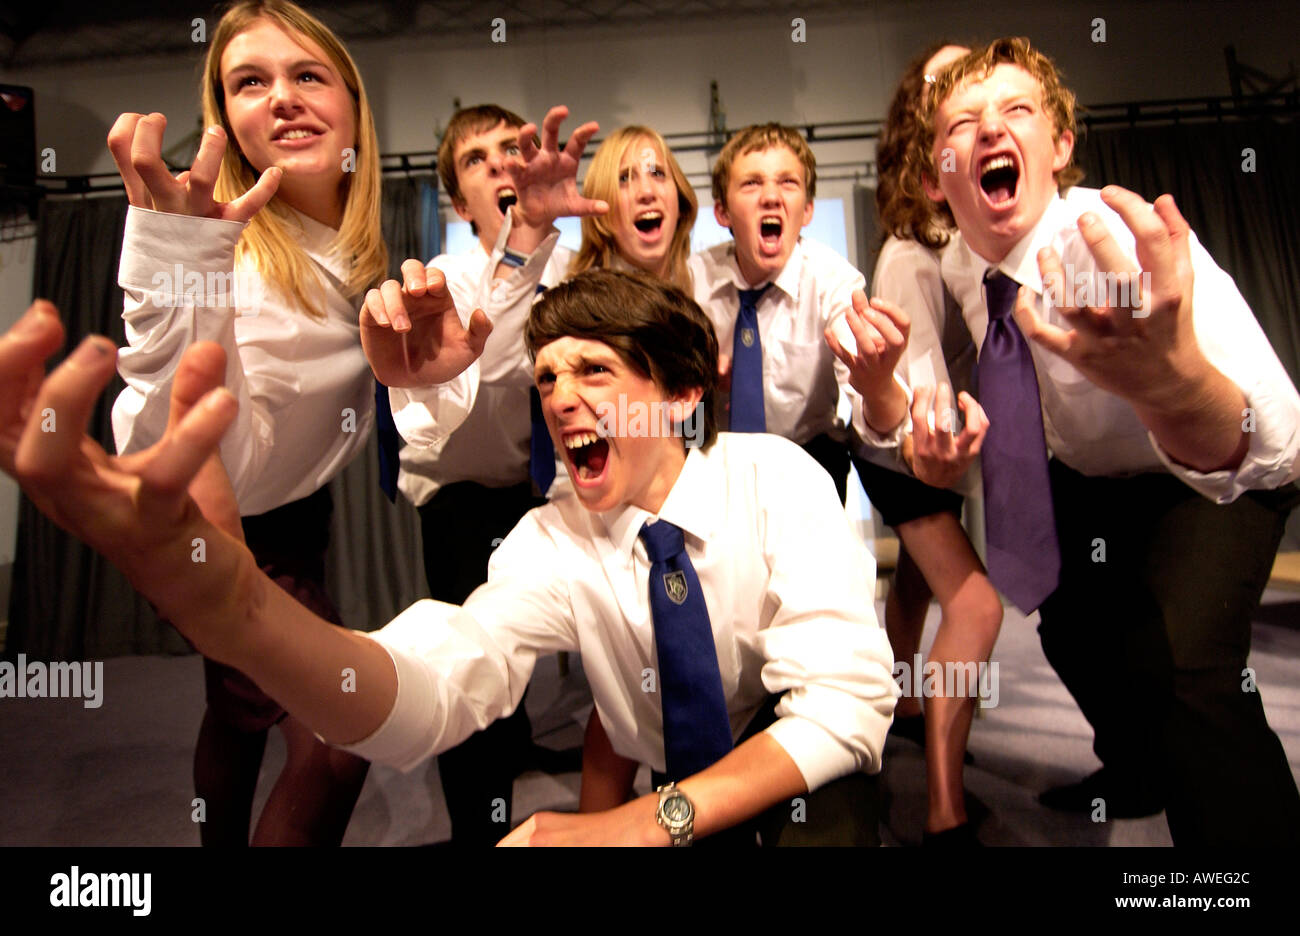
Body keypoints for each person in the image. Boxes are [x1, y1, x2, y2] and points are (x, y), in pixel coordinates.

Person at [3, 268, 898, 846]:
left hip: (796, 781)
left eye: (594, 370)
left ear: (680, 394)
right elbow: (443, 680)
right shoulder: (555, 538)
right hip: (666, 795)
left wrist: (640, 825)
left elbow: (844, 710)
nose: (560, 397)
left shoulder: (773, 477)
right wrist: (248, 618)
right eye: (547, 377)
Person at [909, 36, 1300, 844]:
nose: (989, 131)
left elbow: (1282, 438)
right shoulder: (958, 263)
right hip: (1089, 474)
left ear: (1060, 147)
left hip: (1211, 470)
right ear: (937, 176)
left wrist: (1175, 385)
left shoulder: (1107, 253)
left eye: (1017, 111)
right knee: (1072, 625)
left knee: (1187, 668)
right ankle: (1137, 765)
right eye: (963, 122)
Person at [105, 0, 386, 845]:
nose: (283, 98)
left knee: (234, 713)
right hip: (220, 521)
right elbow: (172, 438)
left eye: (307, 75)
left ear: (353, 106)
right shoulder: (227, 251)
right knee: (340, 738)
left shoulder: (355, 249)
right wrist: (175, 264)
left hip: (298, 519)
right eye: (249, 83)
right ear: (225, 117)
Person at [465, 119, 701, 812]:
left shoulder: (709, 279)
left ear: (680, 198)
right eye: (624, 177)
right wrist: (530, 231)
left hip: (690, 501)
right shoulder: (574, 294)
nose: (645, 188)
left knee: (663, 672)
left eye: (657, 172)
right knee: (624, 680)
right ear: (600, 206)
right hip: (602, 505)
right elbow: (501, 352)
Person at [389, 103, 597, 845]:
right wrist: (527, 243)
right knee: (473, 659)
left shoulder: (575, 272)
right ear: (456, 200)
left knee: (572, 644)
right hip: (463, 498)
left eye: (513, 149)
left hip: (547, 489)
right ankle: (478, 830)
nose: (503, 166)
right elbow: (499, 364)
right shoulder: (446, 282)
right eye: (478, 160)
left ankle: (522, 752)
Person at [849, 40, 1004, 845]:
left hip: (927, 449)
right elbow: (912, 393)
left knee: (915, 589)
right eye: (947, 82)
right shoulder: (912, 250)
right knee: (974, 603)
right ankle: (945, 811)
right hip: (901, 450)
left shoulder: (966, 232)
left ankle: (897, 709)